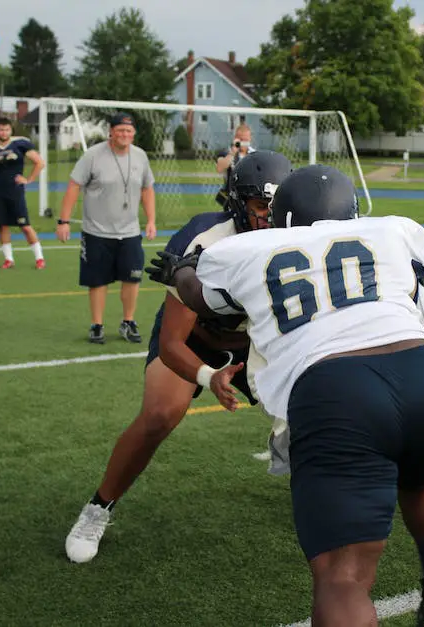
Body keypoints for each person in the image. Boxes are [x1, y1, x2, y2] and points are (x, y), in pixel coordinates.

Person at [147, 165, 424, 627]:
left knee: (342, 577)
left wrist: (179, 272)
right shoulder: (394, 232)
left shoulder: (250, 247)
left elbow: (199, 296)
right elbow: (423, 317)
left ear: (281, 217)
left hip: (338, 393)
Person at [64, 150, 294, 564]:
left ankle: (330, 497)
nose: (269, 216)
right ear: (239, 203)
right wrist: (209, 376)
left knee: (316, 412)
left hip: (259, 342)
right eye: (261, 205)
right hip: (197, 339)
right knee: (159, 415)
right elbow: (173, 342)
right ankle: (98, 508)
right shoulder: (205, 240)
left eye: (277, 206)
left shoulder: (296, 238)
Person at [55, 113, 157, 345]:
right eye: (120, 130)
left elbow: (147, 189)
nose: (125, 135)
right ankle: (97, 325)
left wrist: (151, 220)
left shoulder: (140, 156)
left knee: (133, 278)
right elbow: (74, 186)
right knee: (98, 281)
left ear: (134, 134)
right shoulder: (92, 155)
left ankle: (128, 322)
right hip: (96, 232)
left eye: (129, 131)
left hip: (129, 231)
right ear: (111, 132)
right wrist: (64, 221)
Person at [0, 117, 46, 270]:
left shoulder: (20, 144)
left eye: (7, 129)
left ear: (11, 130)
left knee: (25, 225)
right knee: (3, 226)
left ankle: (39, 258)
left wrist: (29, 179)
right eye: (1, 129)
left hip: (15, 192)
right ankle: (9, 259)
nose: (4, 132)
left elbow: (40, 162)